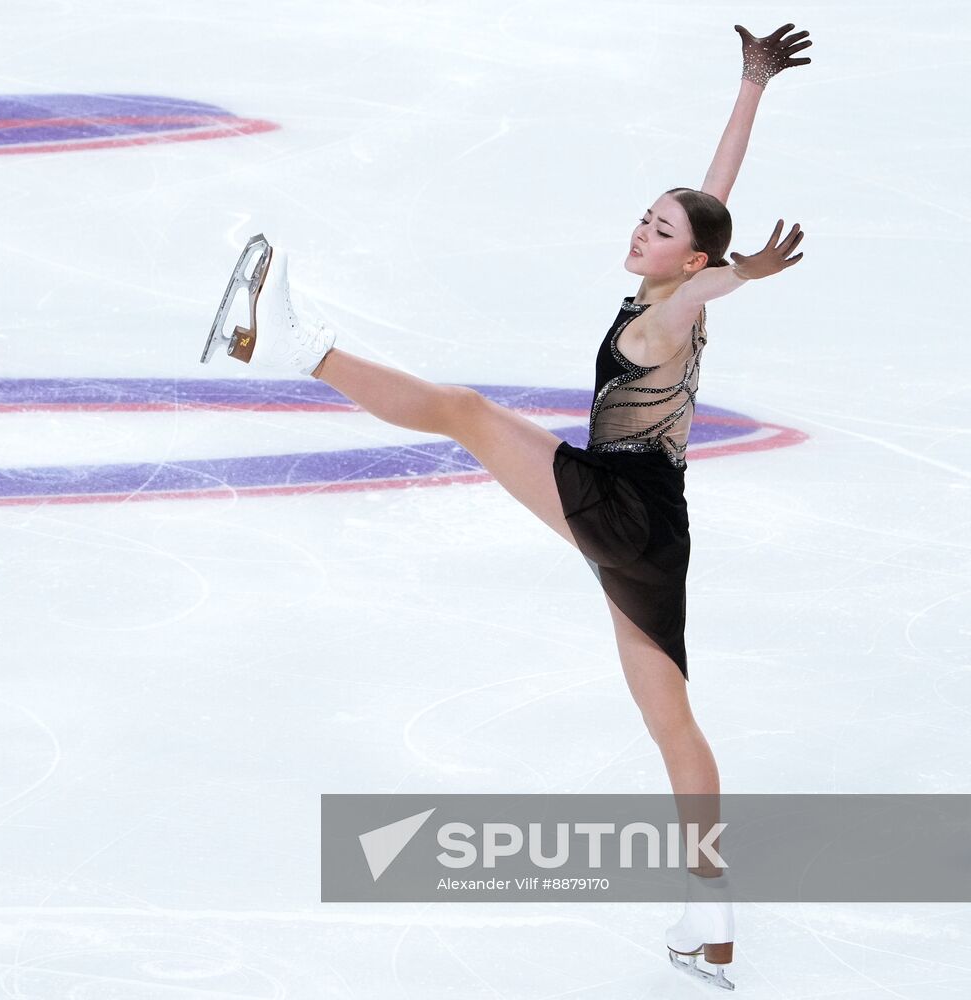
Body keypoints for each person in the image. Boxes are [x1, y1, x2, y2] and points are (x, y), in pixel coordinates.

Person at [202, 22, 811, 990]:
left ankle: (292, 347)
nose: (641, 230)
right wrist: (751, 87)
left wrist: (750, 275)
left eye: (659, 229)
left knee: (465, 413)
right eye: (647, 217)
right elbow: (714, 201)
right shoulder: (676, 273)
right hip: (656, 526)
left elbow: (712, 285)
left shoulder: (674, 306)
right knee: (672, 723)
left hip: (623, 505)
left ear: (688, 265)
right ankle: (714, 922)